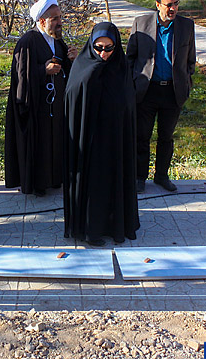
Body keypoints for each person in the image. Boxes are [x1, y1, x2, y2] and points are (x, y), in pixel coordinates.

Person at [64, 22, 139, 246]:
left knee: (115, 181)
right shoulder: (83, 66)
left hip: (115, 139)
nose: (103, 53)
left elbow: (128, 103)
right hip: (89, 141)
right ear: (91, 45)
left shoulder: (121, 68)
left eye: (109, 48)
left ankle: (117, 227)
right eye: (98, 48)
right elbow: (72, 98)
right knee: (93, 185)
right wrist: (91, 78)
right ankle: (91, 230)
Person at [5, 0, 78, 196]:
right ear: (42, 21)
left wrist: (73, 59)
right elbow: (21, 78)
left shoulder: (58, 42)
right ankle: (39, 184)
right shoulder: (28, 42)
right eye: (55, 19)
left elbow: (67, 71)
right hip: (37, 109)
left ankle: (55, 179)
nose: (59, 23)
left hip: (56, 108)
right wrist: (43, 71)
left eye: (60, 17)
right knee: (41, 145)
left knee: (56, 143)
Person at [126, 0, 196, 193]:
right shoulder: (141, 23)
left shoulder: (186, 26)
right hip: (147, 91)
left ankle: (162, 176)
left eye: (176, 4)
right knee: (142, 136)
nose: (173, 8)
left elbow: (190, 60)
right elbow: (130, 57)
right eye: (168, 5)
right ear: (158, 5)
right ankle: (139, 177)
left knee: (166, 137)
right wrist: (133, 83)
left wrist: (187, 83)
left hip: (172, 92)